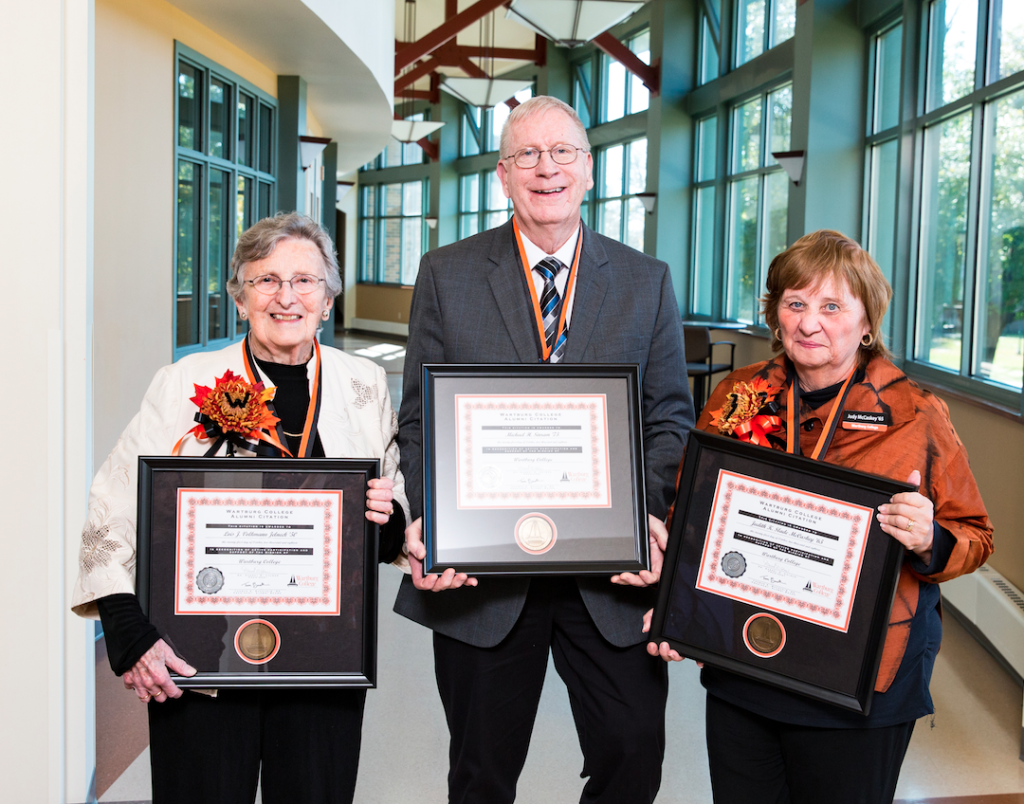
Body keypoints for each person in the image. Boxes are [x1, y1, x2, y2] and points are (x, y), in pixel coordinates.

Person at [395, 95, 694, 804]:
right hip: (485, 579)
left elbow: (670, 421)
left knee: (633, 754)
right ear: (503, 175)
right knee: (480, 773)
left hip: (610, 580)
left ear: (589, 170)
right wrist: (439, 522)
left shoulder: (645, 281)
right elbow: (418, 420)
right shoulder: (447, 273)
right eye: (527, 155)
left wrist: (637, 517)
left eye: (563, 152)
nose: (546, 168)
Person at [645, 229, 994, 804]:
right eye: (795, 303)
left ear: (866, 323)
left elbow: (975, 535)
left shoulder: (916, 414)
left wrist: (929, 538)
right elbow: (692, 514)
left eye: (832, 306)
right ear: (776, 315)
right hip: (746, 667)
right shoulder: (738, 396)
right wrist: (675, 609)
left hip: (859, 679)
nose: (810, 323)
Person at [71, 212, 410, 804]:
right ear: (239, 296)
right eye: (265, 280)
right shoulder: (185, 382)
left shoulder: (363, 384)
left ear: (328, 299)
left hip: (323, 659)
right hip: (200, 656)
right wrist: (128, 631)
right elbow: (115, 501)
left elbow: (390, 496)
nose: (286, 297)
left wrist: (389, 519)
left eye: (305, 281)